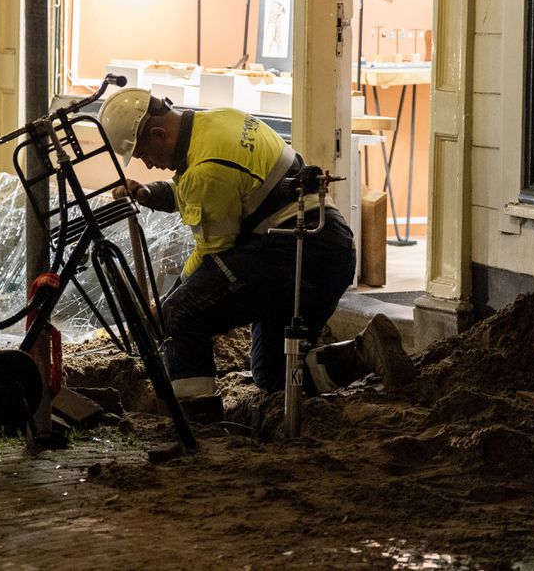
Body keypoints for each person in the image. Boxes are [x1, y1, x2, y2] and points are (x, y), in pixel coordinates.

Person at [97, 87, 415, 417]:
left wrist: (161, 311)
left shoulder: (207, 169)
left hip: (295, 254)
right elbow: (200, 189)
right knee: (274, 374)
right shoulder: (219, 122)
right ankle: (365, 351)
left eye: (142, 155)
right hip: (325, 247)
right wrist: (150, 193)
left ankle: (199, 422)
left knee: (181, 313)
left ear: (159, 133)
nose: (147, 165)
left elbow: (211, 256)